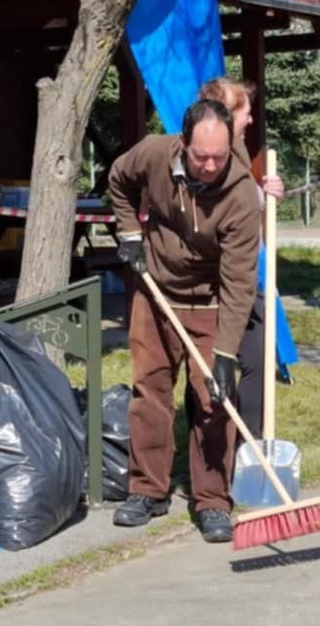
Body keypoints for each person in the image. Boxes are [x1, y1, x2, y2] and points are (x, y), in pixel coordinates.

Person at [108, 99, 261, 542]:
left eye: (220, 155)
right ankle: (147, 490)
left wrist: (227, 352)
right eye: (201, 156)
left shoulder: (239, 195)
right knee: (150, 392)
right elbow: (118, 180)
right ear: (183, 143)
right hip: (154, 293)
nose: (211, 165)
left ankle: (212, 500)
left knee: (213, 400)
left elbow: (238, 283)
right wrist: (131, 234)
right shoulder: (154, 153)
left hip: (210, 302)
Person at [197, 78, 284, 438]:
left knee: (260, 360)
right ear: (226, 117)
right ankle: (219, 450)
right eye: (245, 113)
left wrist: (266, 195)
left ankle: (252, 447)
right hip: (215, 281)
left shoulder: (241, 155)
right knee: (217, 365)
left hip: (248, 276)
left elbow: (250, 215)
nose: (251, 120)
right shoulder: (205, 162)